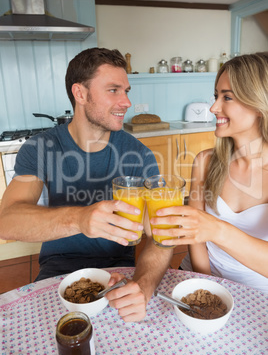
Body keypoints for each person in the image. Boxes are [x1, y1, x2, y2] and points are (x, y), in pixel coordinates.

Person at [0, 47, 173, 321]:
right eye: (114, 90)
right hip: (57, 271)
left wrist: (144, 285)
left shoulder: (139, 154)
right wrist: (80, 218)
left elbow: (160, 236)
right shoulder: (40, 148)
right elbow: (7, 220)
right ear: (80, 94)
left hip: (121, 272)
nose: (126, 102)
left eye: (126, 91)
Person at [149, 52, 268, 293]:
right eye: (216, 96)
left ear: (258, 104)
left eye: (227, 97)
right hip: (198, 278)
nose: (214, 107)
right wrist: (206, 288)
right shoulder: (205, 161)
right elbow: (197, 241)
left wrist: (215, 228)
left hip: (255, 293)